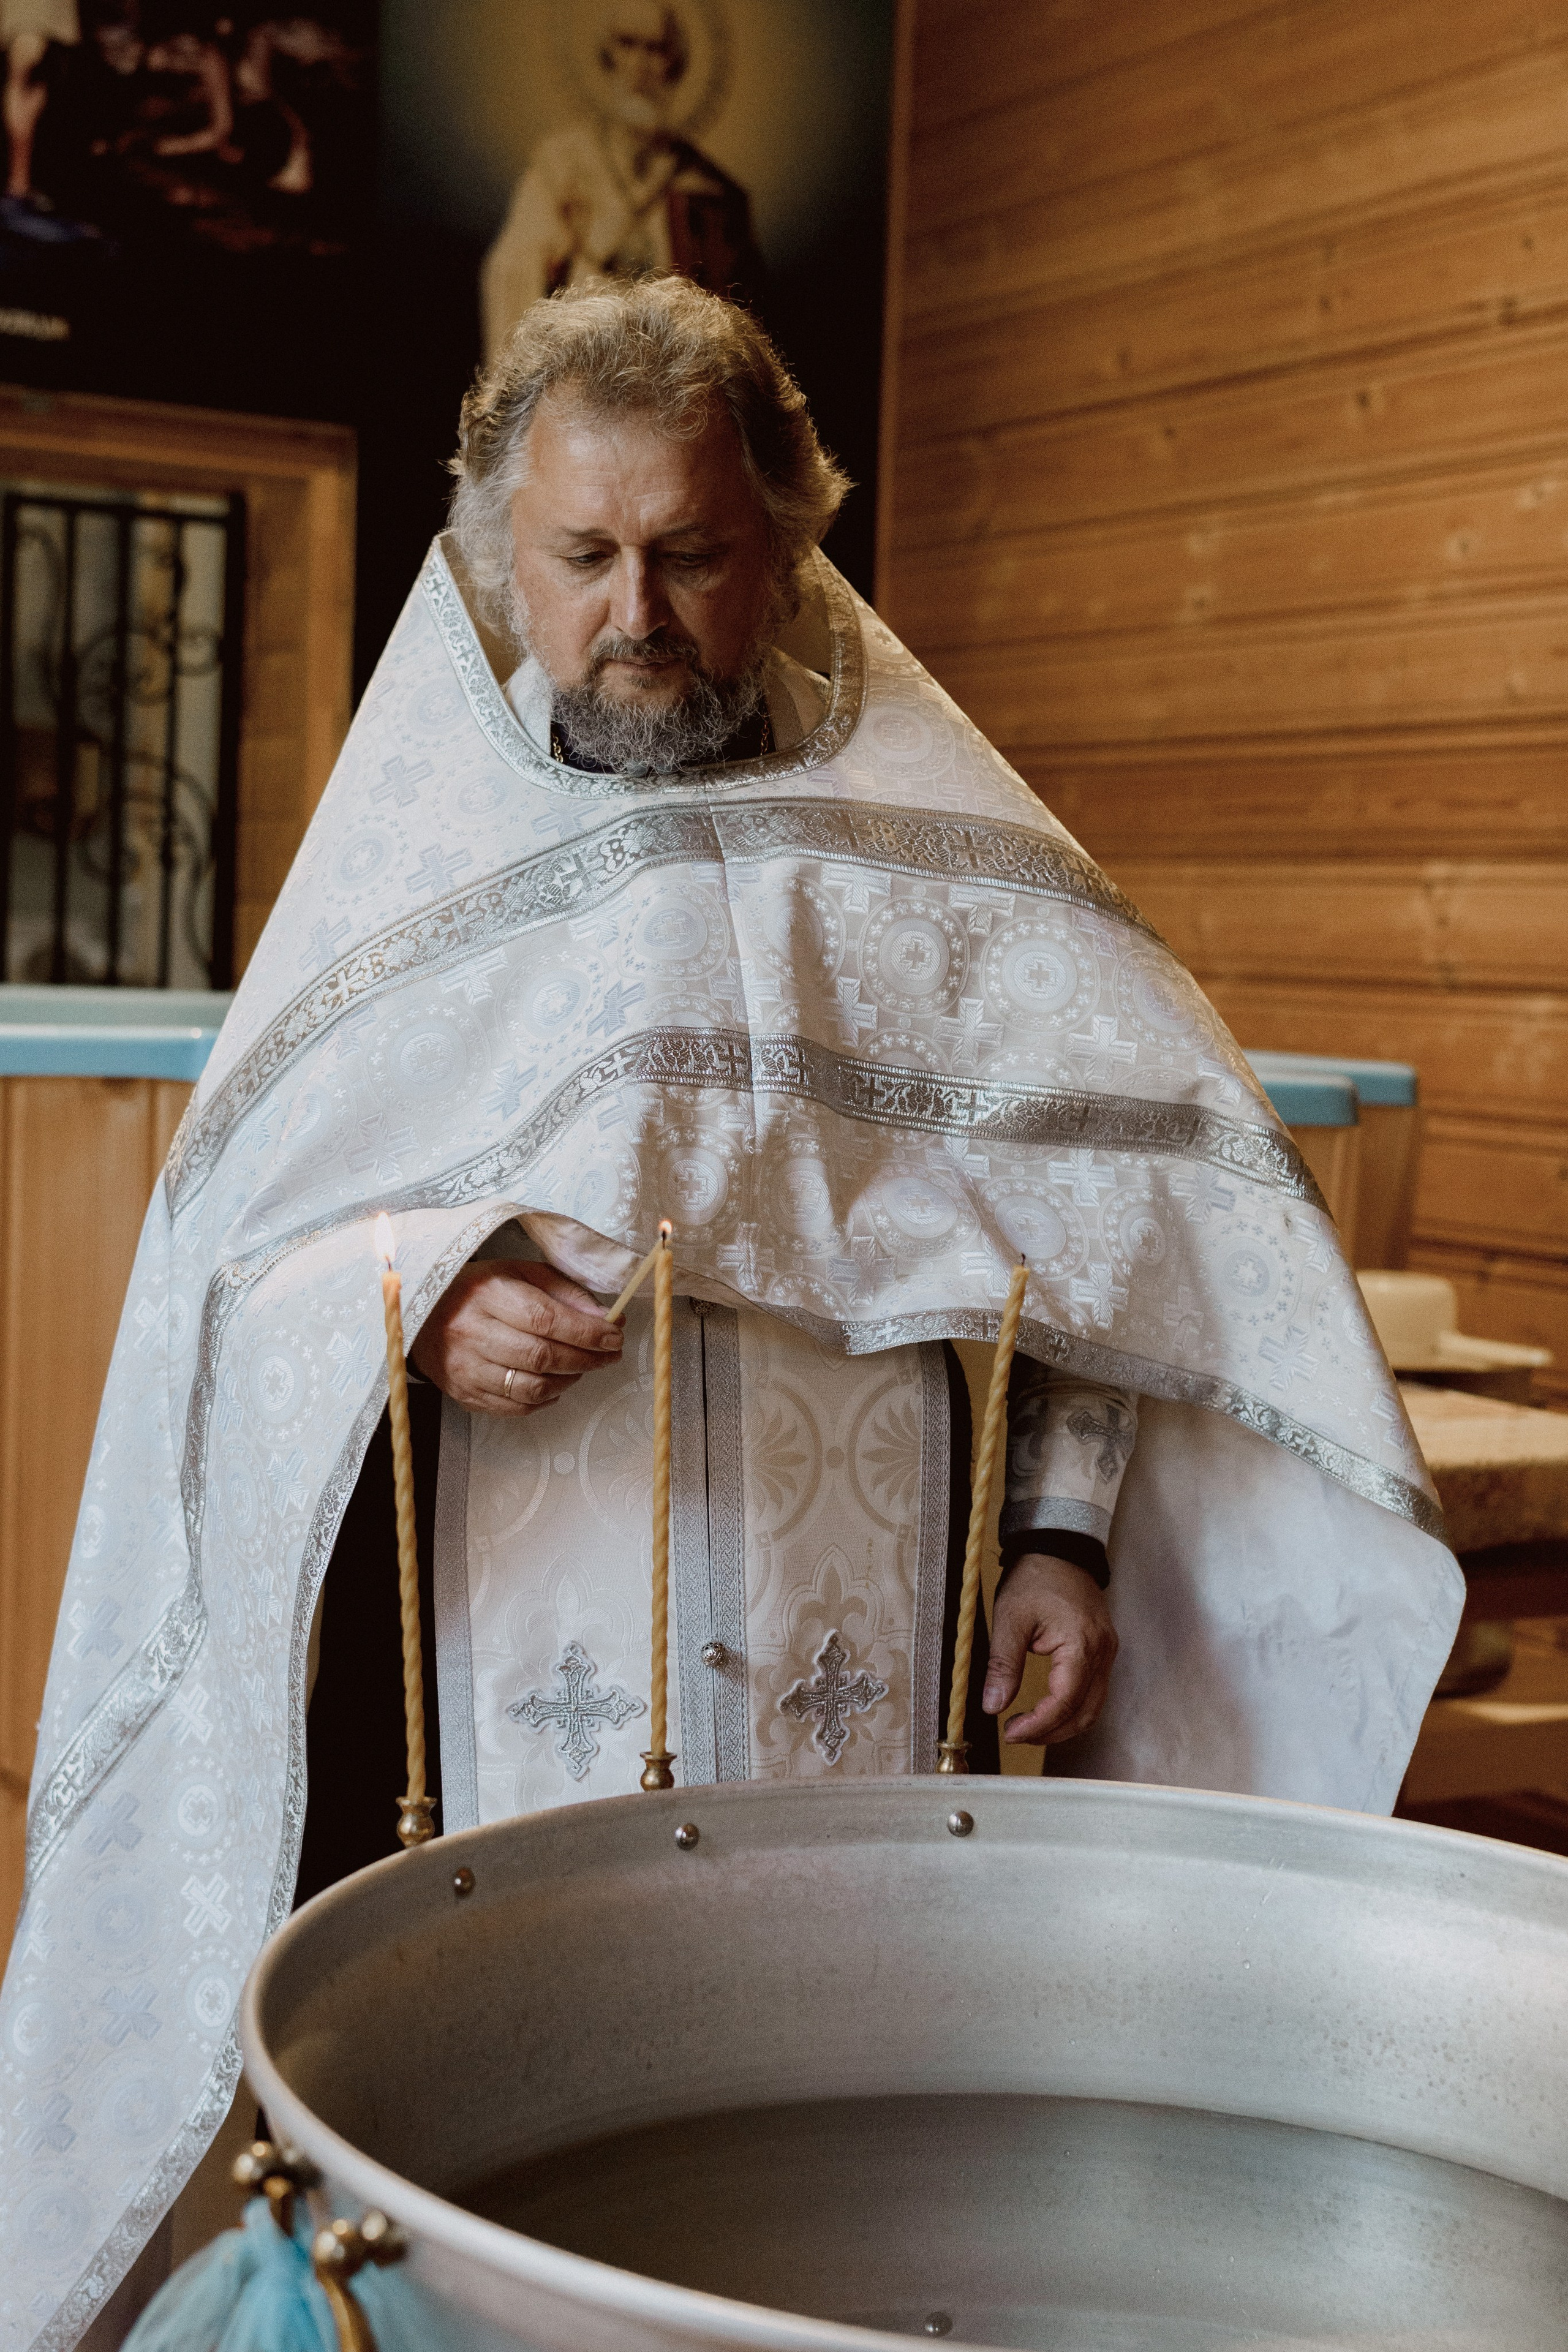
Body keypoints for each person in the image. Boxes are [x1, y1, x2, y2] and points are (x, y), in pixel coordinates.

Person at [0, 275, 1462, 2345]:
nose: (637, 612)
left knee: (827, 2142)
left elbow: (1111, 1230)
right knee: (512, 2126)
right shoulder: (408, 871)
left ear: (787, 536)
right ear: (499, 554)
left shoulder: (940, 852)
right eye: (582, 556)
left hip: (872, 1655)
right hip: (491, 1679)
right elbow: (238, 1278)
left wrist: (1054, 1539)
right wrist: (415, 1304)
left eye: (689, 551)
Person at [479, 0, 762, 362]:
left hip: (674, 376)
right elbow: (511, 270)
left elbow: (744, 319)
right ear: (606, 57)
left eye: (656, 49)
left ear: (676, 63)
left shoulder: (714, 194)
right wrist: (551, 258)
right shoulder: (560, 166)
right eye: (626, 44)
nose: (639, 66)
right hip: (579, 365)